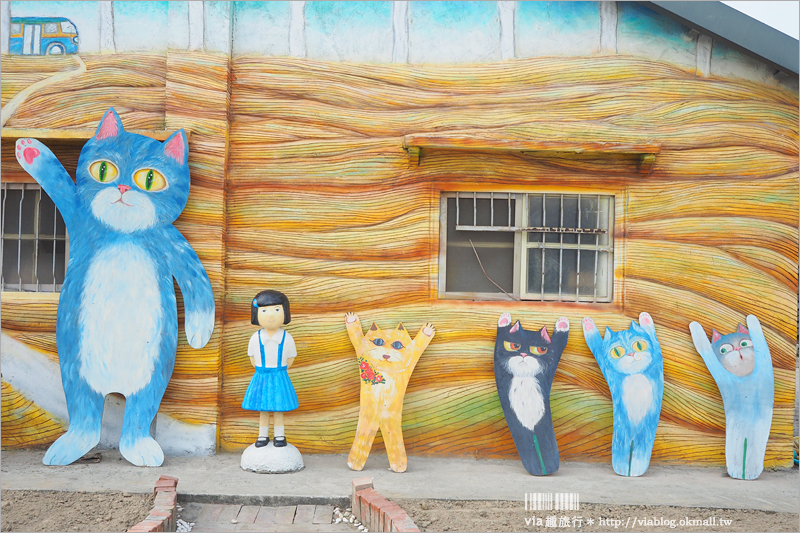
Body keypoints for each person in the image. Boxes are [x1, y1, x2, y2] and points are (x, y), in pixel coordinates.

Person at [242, 290, 298, 447]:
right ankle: (262, 435)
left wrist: (280, 370)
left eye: (277, 309)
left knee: (279, 407)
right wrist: (262, 370)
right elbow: (252, 358)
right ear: (256, 313)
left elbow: (290, 358)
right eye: (264, 310)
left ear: (285, 312)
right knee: (263, 408)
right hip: (262, 375)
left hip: (279, 374)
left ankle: (280, 436)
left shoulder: (286, 337)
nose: (271, 315)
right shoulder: (256, 338)